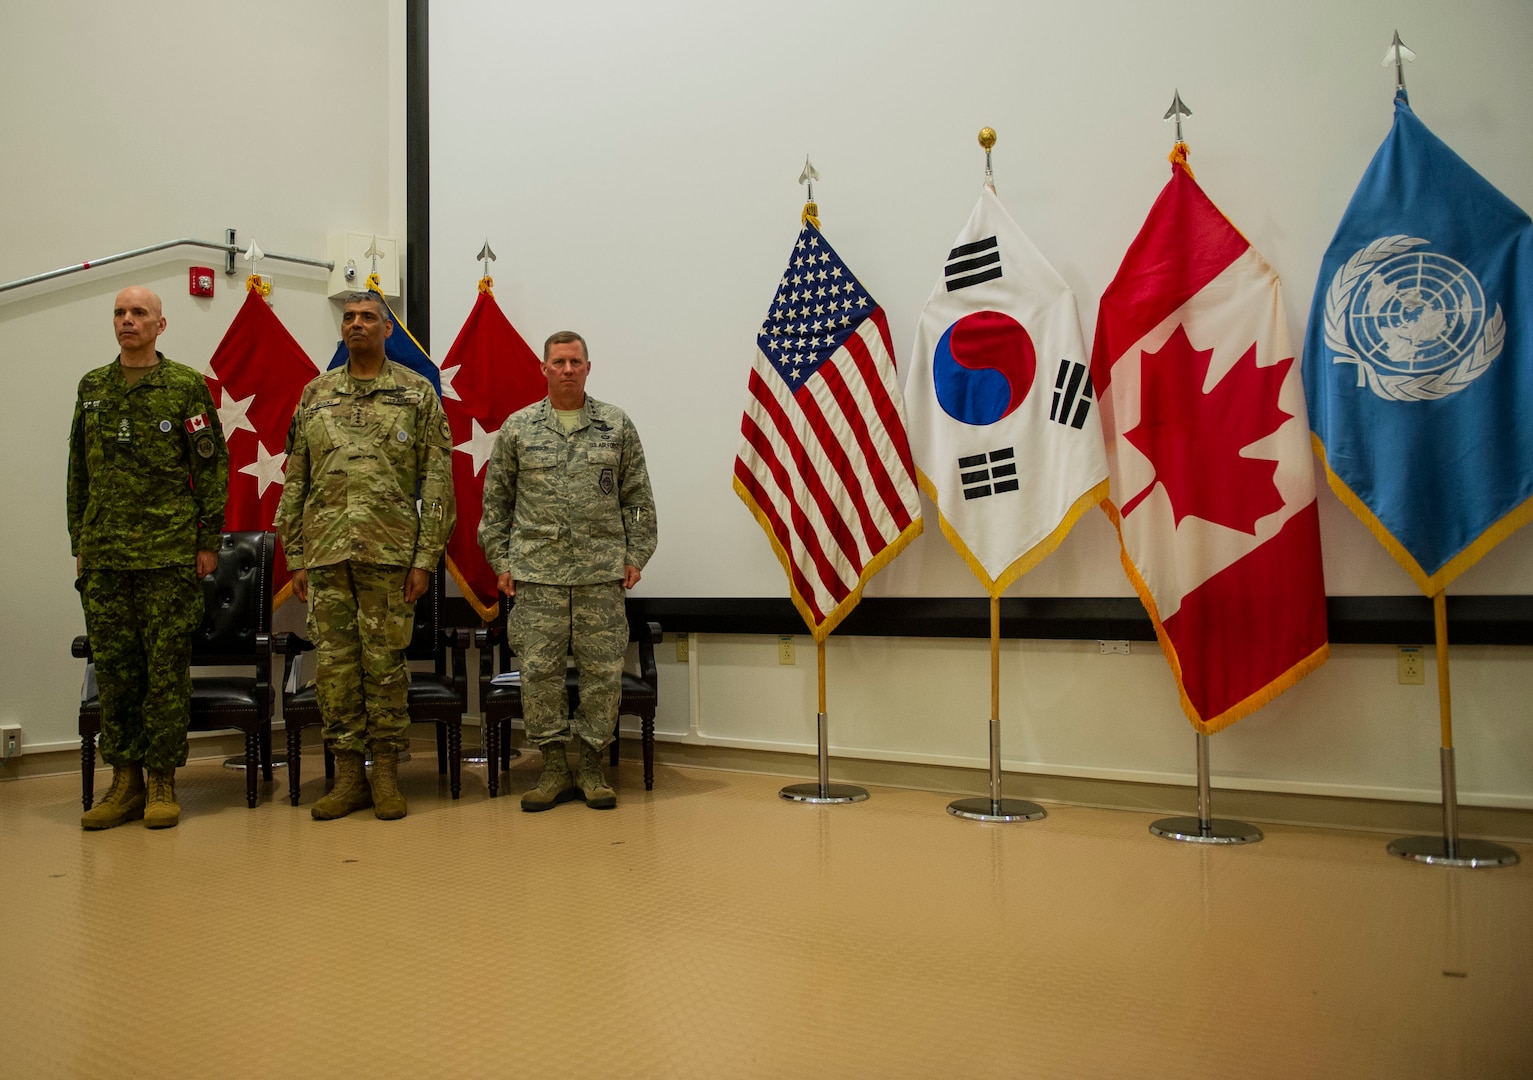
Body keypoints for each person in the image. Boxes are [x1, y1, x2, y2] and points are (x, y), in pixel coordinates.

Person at [274, 292, 455, 821]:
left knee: (385, 666)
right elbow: (296, 478)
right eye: (349, 318)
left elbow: (438, 481)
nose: (357, 324)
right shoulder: (315, 393)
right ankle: (349, 776)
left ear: (387, 329)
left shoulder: (417, 394)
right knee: (333, 669)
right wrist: (296, 555)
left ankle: (388, 776)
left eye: (368, 318)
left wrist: (424, 559)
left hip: (390, 554)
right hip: (326, 553)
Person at [69, 286, 229, 830]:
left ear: (161, 325)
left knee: (165, 673)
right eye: (119, 312)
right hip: (107, 556)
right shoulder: (92, 388)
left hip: (167, 555)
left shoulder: (185, 387)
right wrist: (80, 544)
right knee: (115, 674)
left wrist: (207, 540)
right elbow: (78, 474)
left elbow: (210, 468)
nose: (128, 320)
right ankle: (125, 782)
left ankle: (162, 782)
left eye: (139, 313)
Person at [478, 330, 658, 812]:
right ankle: (555, 768)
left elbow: (637, 500)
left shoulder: (616, 426)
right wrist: (502, 562)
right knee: (539, 675)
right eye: (558, 361)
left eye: (575, 361)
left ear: (588, 366)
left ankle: (594, 767)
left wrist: (636, 554)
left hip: (601, 577)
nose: (567, 369)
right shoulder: (518, 429)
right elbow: (494, 507)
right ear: (543, 368)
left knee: (602, 673)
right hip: (537, 578)